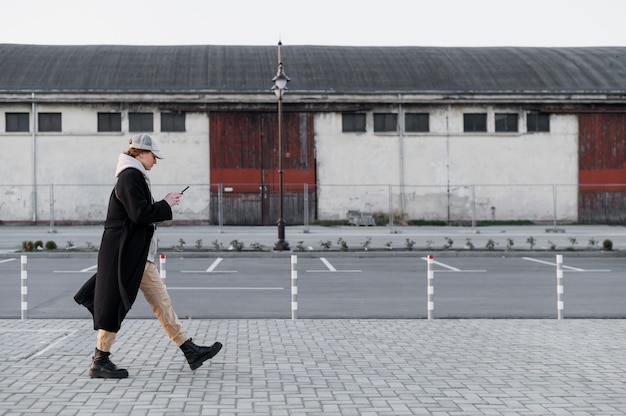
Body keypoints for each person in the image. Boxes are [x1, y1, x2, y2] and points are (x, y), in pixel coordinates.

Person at [74, 133, 222, 379]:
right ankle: (100, 360)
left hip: (136, 254)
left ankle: (189, 350)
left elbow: (138, 214)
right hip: (128, 254)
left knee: (160, 304)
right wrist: (165, 203)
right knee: (115, 304)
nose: (156, 161)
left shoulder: (132, 175)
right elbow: (139, 214)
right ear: (140, 153)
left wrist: (163, 205)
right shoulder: (130, 176)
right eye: (154, 156)